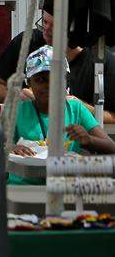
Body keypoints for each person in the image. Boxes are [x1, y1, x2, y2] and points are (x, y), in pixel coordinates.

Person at [9, 46, 115, 184]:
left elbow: (111, 147)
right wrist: (12, 147)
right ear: (29, 83)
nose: (49, 85)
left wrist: (88, 140)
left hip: (62, 188)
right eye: (40, 80)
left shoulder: (75, 109)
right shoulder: (17, 111)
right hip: (21, 189)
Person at [0, 10, 115, 123]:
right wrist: (17, 96)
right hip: (27, 140)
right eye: (44, 22)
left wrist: (79, 107)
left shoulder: (102, 61)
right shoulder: (27, 42)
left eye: (55, 26)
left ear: (75, 30)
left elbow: (112, 117)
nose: (46, 31)